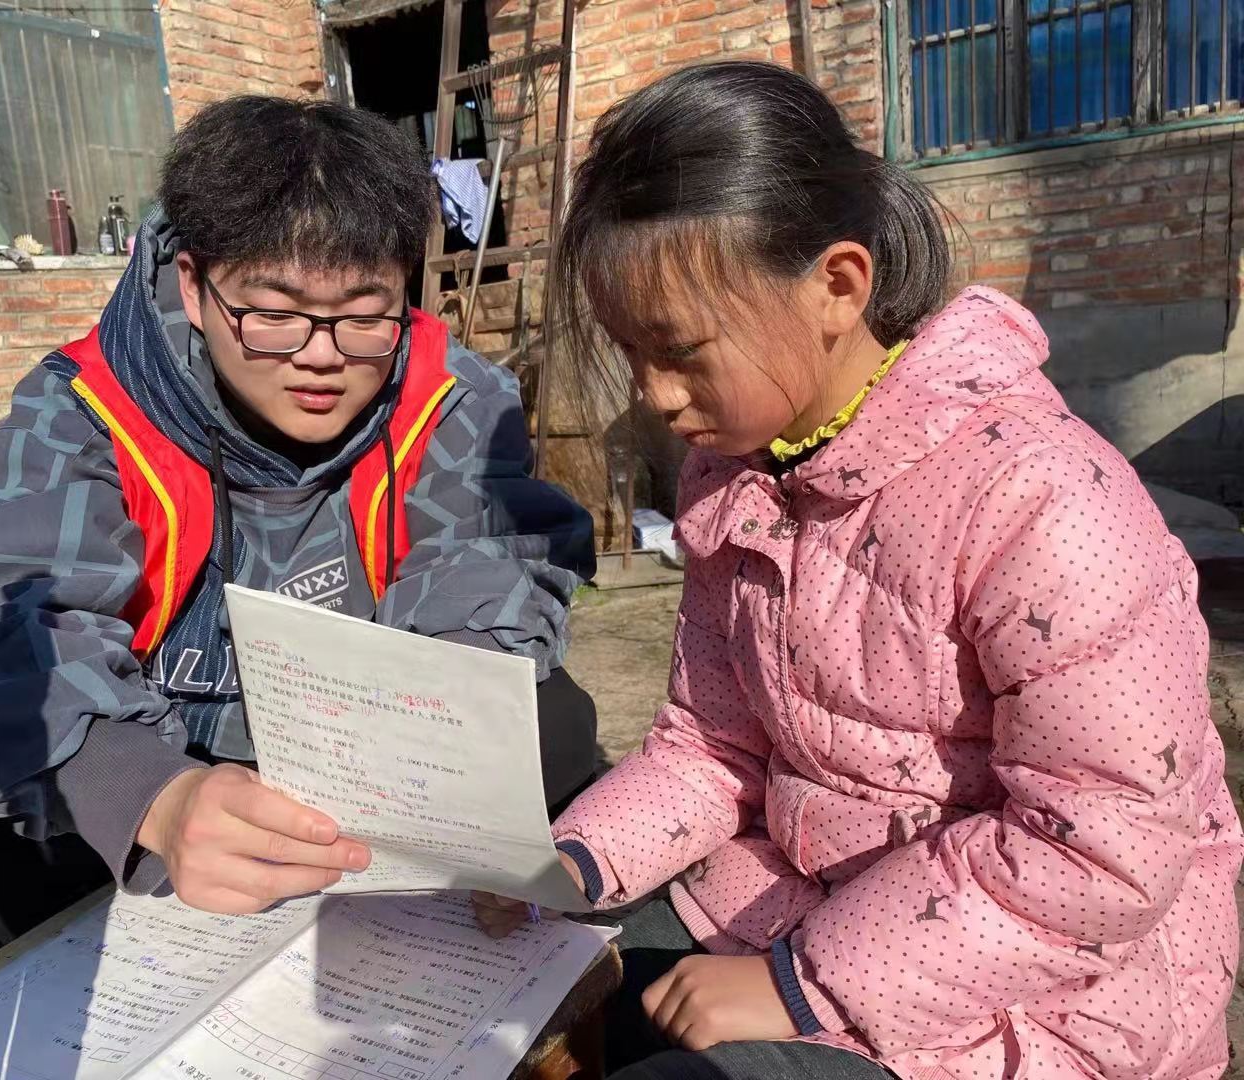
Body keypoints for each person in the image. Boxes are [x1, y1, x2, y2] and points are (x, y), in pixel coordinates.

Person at [475, 61, 1241, 1080]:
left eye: (681, 351)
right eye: (631, 353)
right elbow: (711, 743)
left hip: (1033, 994)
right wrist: (571, 861)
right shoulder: (736, 479)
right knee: (534, 998)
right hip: (793, 899)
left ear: (836, 286)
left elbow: (1100, 849)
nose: (654, 396)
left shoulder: (1043, 501)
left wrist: (805, 986)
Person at [0, 96, 598, 976]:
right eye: (274, 313)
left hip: (347, 785)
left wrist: (447, 708)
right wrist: (151, 797)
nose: (321, 355)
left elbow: (488, 556)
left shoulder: (449, 395)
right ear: (194, 284)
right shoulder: (86, 411)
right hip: (140, 788)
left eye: (365, 313)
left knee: (557, 724)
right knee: (3, 831)